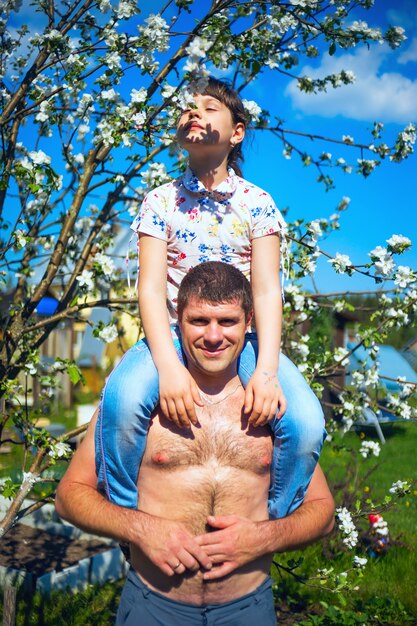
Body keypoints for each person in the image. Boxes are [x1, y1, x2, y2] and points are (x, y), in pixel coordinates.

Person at [95, 76, 325, 517]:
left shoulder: (258, 203)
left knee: (307, 424)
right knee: (122, 403)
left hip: (243, 341)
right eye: (188, 107)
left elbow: (267, 290)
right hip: (173, 336)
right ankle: (125, 512)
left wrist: (268, 371)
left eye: (209, 106)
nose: (194, 111)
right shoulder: (159, 202)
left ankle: (271, 516)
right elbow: (148, 287)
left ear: (236, 132)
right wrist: (167, 365)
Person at [56, 262, 334, 626]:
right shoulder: (138, 406)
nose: (214, 336)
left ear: (249, 322)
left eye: (228, 322)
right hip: (151, 607)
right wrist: (142, 528)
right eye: (199, 321)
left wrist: (263, 539)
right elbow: (69, 496)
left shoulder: (272, 408)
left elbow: (323, 512)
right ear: (178, 320)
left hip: (248, 609)